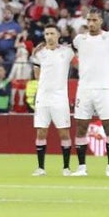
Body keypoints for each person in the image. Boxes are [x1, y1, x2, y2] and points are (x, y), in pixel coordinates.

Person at [70, 9, 109, 177]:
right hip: (84, 89)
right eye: (89, 20)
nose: (91, 23)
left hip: (104, 89)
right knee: (80, 127)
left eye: (94, 20)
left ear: (101, 21)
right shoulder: (79, 39)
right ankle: (81, 168)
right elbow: (69, 53)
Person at [30, 26, 74, 176]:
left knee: (64, 133)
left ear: (58, 35)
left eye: (52, 33)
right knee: (41, 132)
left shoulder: (67, 52)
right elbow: (37, 75)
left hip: (60, 98)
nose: (49, 36)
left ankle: (66, 167)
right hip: (43, 98)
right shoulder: (39, 54)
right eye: (47, 33)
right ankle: (41, 168)